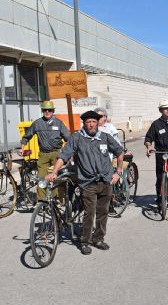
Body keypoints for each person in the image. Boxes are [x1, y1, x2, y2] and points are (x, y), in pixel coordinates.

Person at [46, 110, 124, 255]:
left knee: (103, 212)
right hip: (88, 183)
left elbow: (120, 152)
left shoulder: (105, 137)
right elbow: (64, 156)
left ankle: (99, 239)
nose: (91, 124)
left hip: (106, 180)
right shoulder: (77, 138)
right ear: (84, 123)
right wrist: (54, 172)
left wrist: (118, 172)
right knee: (89, 213)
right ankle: (85, 241)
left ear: (98, 123)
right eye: (88, 122)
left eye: (93, 121)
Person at [19, 100, 71, 199]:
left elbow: (68, 138)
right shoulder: (37, 123)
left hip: (56, 154)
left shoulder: (59, 123)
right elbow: (26, 136)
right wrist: (22, 148)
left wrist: (66, 151)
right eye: (45, 110)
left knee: (56, 178)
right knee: (42, 179)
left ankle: (56, 200)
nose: (47, 112)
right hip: (43, 155)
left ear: (53, 111)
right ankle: (42, 202)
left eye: (50, 110)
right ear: (42, 111)